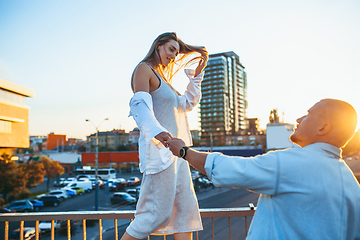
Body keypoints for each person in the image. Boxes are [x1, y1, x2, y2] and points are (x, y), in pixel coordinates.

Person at [167, 99, 360, 240]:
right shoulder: (352, 185)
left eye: (308, 115)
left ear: (323, 128)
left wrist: (184, 151)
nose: (299, 119)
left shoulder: (291, 163)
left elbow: (226, 169)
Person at [123, 32, 208, 240]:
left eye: (176, 52)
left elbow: (186, 103)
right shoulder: (144, 69)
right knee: (155, 214)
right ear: (158, 46)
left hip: (178, 154)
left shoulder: (165, 80)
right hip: (161, 153)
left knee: (184, 212)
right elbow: (139, 104)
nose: (173, 55)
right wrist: (157, 131)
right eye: (171, 49)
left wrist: (197, 73)